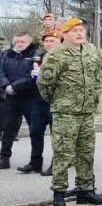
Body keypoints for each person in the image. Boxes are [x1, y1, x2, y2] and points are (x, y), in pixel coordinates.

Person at [37, 18, 102, 206]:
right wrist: (59, 102)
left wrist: (93, 99)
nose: (79, 33)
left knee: (86, 152)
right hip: (65, 113)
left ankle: (86, 190)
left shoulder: (91, 52)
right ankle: (59, 192)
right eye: (74, 30)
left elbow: (97, 77)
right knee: (63, 153)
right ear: (64, 34)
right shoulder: (56, 55)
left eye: (81, 30)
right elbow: (44, 84)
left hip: (86, 112)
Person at [0, 31, 48, 173]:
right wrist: (6, 86)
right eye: (17, 42)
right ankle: (4, 158)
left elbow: (33, 76)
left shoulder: (37, 55)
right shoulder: (6, 54)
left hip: (30, 98)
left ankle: (35, 161)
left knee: (35, 130)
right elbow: (1, 72)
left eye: (22, 42)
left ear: (29, 42)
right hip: (11, 98)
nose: (19, 44)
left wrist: (14, 87)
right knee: (8, 128)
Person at [38, 30, 61, 177]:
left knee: (57, 135)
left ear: (59, 42)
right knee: (36, 131)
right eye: (46, 41)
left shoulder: (61, 57)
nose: (48, 43)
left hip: (58, 101)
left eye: (52, 41)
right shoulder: (42, 57)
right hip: (42, 100)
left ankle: (56, 164)